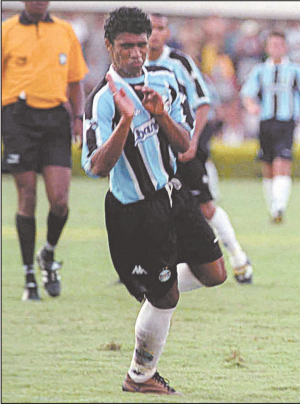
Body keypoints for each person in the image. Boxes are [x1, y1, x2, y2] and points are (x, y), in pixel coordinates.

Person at [81, 7, 226, 395]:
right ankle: (139, 376)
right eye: (126, 46)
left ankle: (150, 286)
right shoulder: (101, 100)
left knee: (216, 274)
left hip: (172, 194)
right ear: (109, 46)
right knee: (168, 298)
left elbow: (184, 148)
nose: (135, 54)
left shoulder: (163, 79)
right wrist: (126, 121)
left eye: (141, 46)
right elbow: (95, 167)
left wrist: (160, 115)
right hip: (134, 213)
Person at [146, 13, 253, 284]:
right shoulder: (134, 65)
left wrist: (191, 142)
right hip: (152, 152)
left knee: (204, 207)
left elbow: (203, 102)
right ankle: (151, 267)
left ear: (168, 33)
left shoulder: (179, 63)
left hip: (183, 149)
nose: (155, 34)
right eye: (150, 29)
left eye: (160, 28)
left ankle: (238, 256)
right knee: (153, 208)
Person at [1, 1, 88, 302]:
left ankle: (47, 254)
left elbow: (76, 82)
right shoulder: (7, 31)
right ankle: (28, 278)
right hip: (18, 118)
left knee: (60, 200)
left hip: (54, 119)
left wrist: (78, 118)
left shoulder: (65, 31)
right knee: (27, 196)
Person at [240, 29, 300, 224]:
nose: (276, 49)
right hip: (266, 122)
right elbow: (247, 94)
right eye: (272, 45)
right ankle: (273, 206)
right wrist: (251, 106)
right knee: (267, 167)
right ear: (267, 48)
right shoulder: (260, 71)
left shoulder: (296, 70)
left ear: (285, 47)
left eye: (279, 45)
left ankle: (279, 207)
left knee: (282, 162)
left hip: (286, 122)